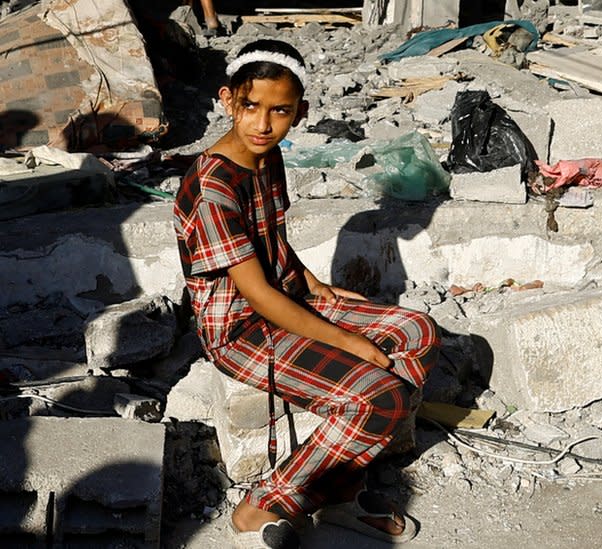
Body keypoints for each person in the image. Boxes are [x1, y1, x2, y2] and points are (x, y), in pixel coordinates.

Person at [173, 39, 440, 548]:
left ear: (301, 113)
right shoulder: (212, 188)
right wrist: (350, 343)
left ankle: (337, 489)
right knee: (378, 396)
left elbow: (271, 238)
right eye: (251, 107)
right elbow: (256, 295)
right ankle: (267, 503)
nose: (262, 123)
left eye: (280, 111)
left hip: (290, 297)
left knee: (417, 331)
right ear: (227, 100)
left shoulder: (265, 158)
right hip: (241, 329)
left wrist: (316, 287)